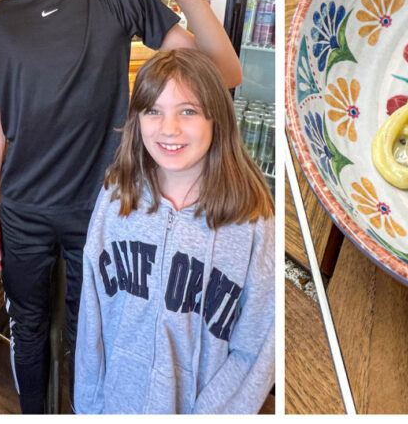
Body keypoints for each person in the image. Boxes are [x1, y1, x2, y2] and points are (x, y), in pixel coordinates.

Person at [0, 0, 242, 413]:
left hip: (104, 207)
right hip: (21, 208)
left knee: (89, 330)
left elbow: (223, 75)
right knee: (26, 325)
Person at [74, 48, 274, 414]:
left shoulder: (253, 221)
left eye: (188, 111)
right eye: (154, 111)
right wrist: (89, 406)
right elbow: (93, 314)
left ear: (217, 118)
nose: (169, 129)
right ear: (137, 119)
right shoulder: (116, 195)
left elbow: (258, 345)